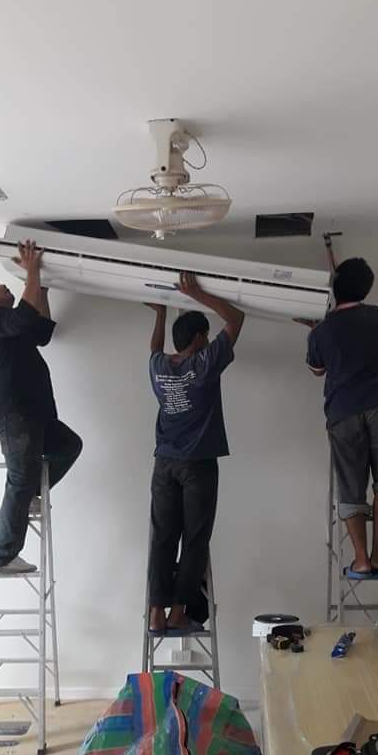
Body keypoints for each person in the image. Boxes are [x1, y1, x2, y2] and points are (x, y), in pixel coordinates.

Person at [0, 240, 82, 573]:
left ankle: (31, 494)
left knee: (68, 445)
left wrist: (40, 286)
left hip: (33, 413)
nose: (3, 285)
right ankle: (1, 556)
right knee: (19, 480)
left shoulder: (9, 325)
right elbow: (25, 316)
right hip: (15, 413)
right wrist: (32, 272)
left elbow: (41, 330)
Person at [146, 272, 245, 634]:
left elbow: (154, 349)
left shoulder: (159, 368)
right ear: (201, 338)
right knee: (195, 539)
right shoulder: (204, 365)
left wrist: (160, 314)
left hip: (164, 464)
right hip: (198, 465)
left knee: (163, 538)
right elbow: (236, 319)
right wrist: (197, 294)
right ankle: (178, 614)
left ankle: (155, 614)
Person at [302, 257, 378, 579]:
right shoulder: (377, 317)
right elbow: (377, 339)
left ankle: (360, 560)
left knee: (350, 484)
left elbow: (317, 369)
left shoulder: (321, 332)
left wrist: (318, 330)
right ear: (366, 288)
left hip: (343, 411)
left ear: (334, 287)